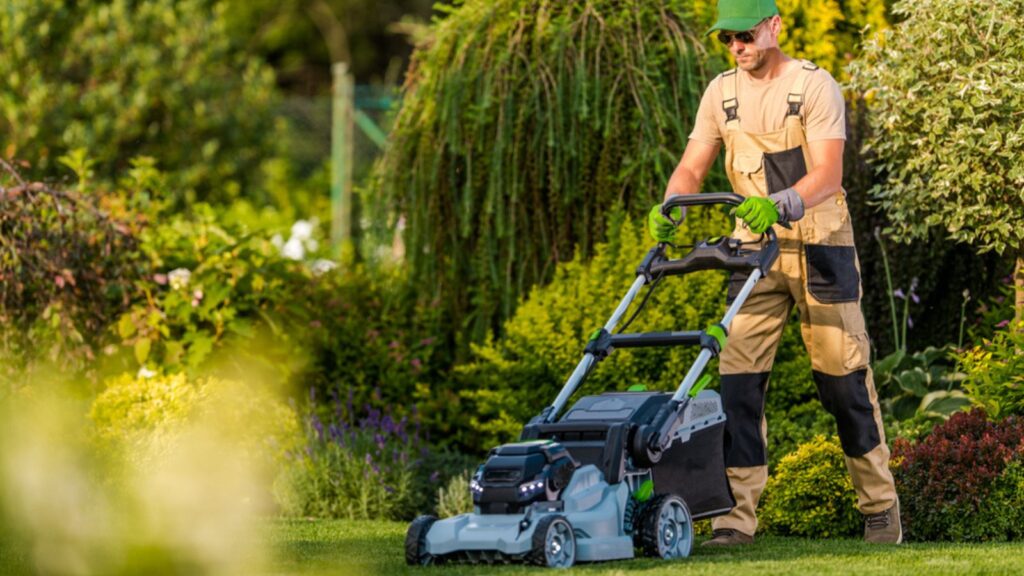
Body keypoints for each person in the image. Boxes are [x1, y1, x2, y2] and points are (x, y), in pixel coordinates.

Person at [648, 0, 901, 546]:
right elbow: (693, 164)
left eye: (745, 36)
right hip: (752, 252)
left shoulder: (813, 86)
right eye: (727, 40)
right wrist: (672, 204)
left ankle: (880, 508)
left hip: (820, 247)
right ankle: (735, 519)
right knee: (737, 384)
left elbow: (828, 174)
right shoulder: (721, 92)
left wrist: (780, 202)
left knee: (843, 381)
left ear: (774, 26)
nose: (737, 47)